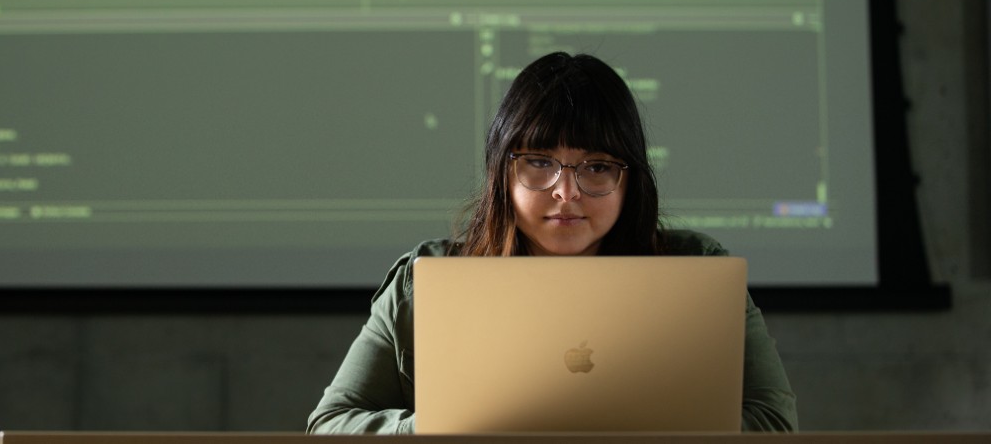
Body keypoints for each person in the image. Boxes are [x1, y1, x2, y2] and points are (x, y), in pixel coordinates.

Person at [306, 51, 799, 433]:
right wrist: (443, 428)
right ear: (502, 173)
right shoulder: (424, 281)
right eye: (540, 162)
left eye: (597, 166)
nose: (567, 192)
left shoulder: (697, 271)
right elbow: (331, 423)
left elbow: (774, 423)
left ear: (631, 180)